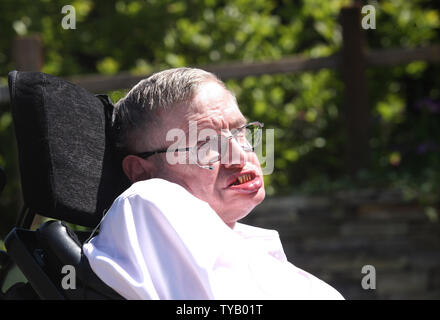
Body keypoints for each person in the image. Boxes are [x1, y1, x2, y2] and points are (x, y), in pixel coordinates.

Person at [82, 67, 344, 300]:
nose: (241, 156)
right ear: (141, 172)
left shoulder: (249, 242)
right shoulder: (147, 199)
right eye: (206, 144)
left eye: (240, 132)